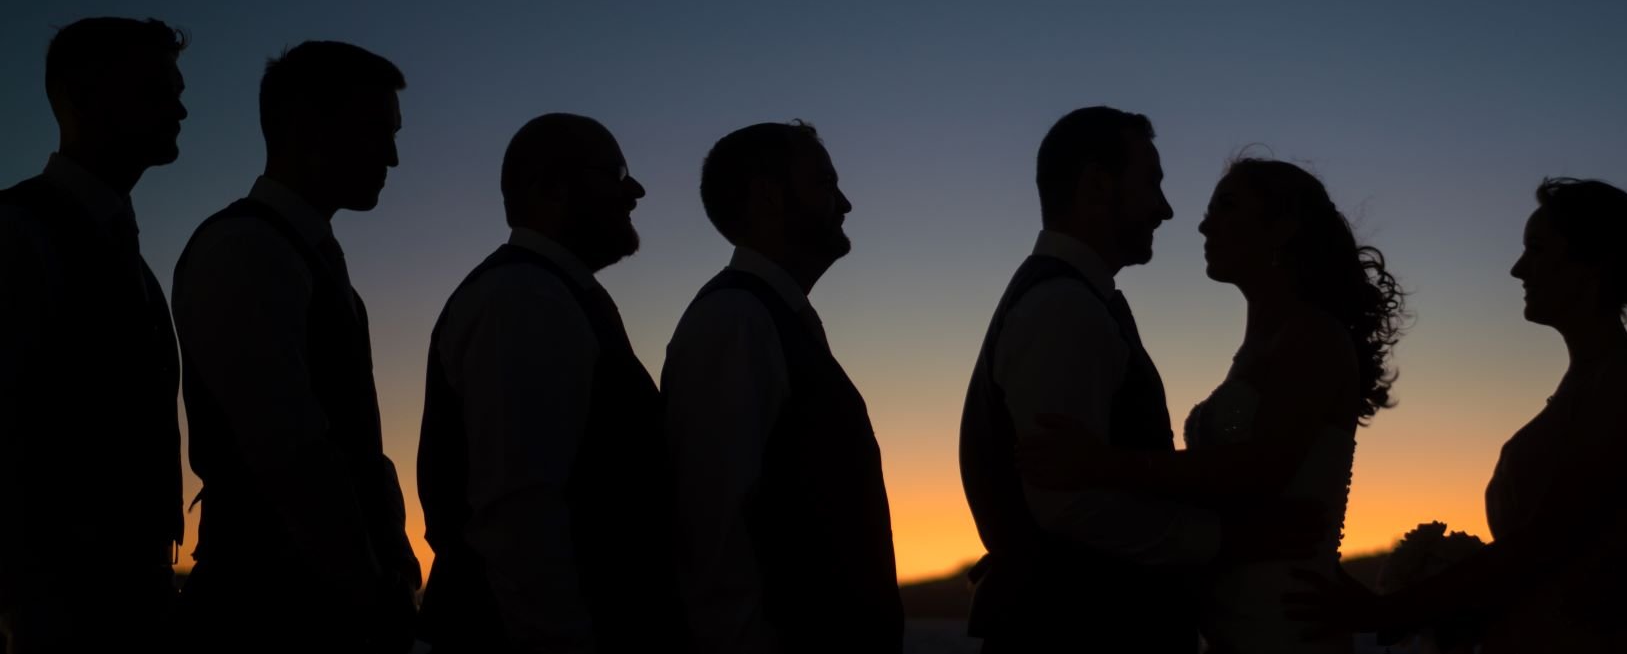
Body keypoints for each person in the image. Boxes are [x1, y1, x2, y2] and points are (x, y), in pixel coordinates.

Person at [1022, 156, 1406, 654]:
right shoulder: (1261, 348)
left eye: (1226, 207)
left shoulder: (1315, 337)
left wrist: (1101, 464)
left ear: (1283, 227)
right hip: (1232, 620)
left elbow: (1257, 471)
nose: (1203, 224)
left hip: (1287, 621)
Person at [1286, 178, 1627, 654]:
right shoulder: (1592, 381)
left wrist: (1388, 610)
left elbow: (1546, 542)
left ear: (1591, 263)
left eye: (1536, 248)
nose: (1518, 268)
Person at [171, 41, 418, 654]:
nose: (392, 155)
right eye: (374, 131)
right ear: (306, 126)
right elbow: (291, 451)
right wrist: (365, 590)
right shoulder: (247, 251)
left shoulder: (307, 258)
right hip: (271, 610)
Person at [417, 114, 688, 654]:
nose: (634, 190)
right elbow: (518, 515)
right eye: (615, 173)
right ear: (549, 189)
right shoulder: (523, 298)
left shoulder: (553, 293)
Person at [958, 106, 1213, 654]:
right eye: (1152, 184)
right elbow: (1068, 507)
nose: (1165, 210)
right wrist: (1217, 543)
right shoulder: (1062, 307)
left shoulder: (1070, 298)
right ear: (1097, 187)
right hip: (1080, 630)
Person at [663, 121, 901, 653]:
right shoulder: (734, 320)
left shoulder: (775, 318)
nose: (845, 203)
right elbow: (711, 530)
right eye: (824, 183)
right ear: (769, 197)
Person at [0, 18, 188, 652]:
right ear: (81, 98)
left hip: (133, 600)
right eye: (157, 92)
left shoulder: (134, 265)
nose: (181, 108)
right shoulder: (16, 235)